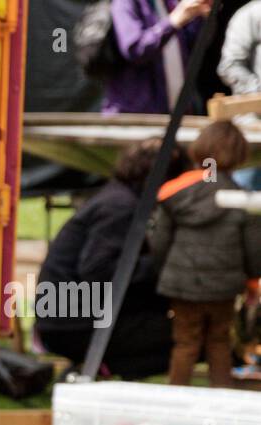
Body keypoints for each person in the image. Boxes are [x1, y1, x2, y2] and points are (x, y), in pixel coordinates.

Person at [34, 138, 184, 378]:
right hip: (73, 324)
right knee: (189, 332)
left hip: (66, 318)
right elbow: (98, 270)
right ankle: (104, 368)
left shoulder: (116, 198)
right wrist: (164, 267)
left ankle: (100, 368)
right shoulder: (121, 207)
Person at [149, 118, 261, 384]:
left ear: (199, 149)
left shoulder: (175, 191)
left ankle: (176, 402)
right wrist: (252, 282)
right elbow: (254, 250)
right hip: (224, 287)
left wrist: (166, 270)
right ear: (240, 155)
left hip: (182, 284)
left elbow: (159, 240)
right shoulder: (241, 198)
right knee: (219, 342)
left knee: (185, 343)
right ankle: (221, 402)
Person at [104, 0, 213, 115]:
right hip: (135, 118)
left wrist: (202, 15)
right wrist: (172, 22)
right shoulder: (125, 3)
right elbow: (135, 48)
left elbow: (193, 45)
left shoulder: (169, 3)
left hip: (175, 114)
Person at [217, 0, 261, 188]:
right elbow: (230, 66)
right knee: (244, 204)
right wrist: (257, 90)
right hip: (254, 130)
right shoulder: (252, 13)